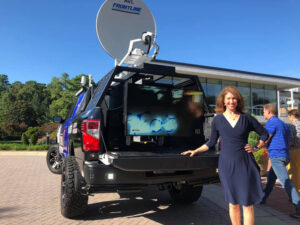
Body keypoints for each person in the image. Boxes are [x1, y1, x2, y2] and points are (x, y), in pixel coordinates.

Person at [182, 86, 268, 225]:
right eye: (228, 98)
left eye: (234, 98)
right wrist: (195, 151)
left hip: (245, 163)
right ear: (223, 101)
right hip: (227, 165)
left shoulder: (246, 118)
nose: (231, 101)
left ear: (238, 101)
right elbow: (211, 142)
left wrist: (256, 147)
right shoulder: (218, 120)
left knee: (246, 202)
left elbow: (264, 133)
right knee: (233, 202)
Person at [261, 104, 300, 219]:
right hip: (285, 155)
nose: (263, 114)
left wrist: (256, 147)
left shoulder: (272, 122)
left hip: (277, 156)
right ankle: (263, 198)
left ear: (268, 112)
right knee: (271, 178)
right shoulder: (283, 124)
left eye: (264, 112)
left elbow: (266, 137)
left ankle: (298, 208)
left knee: (285, 182)